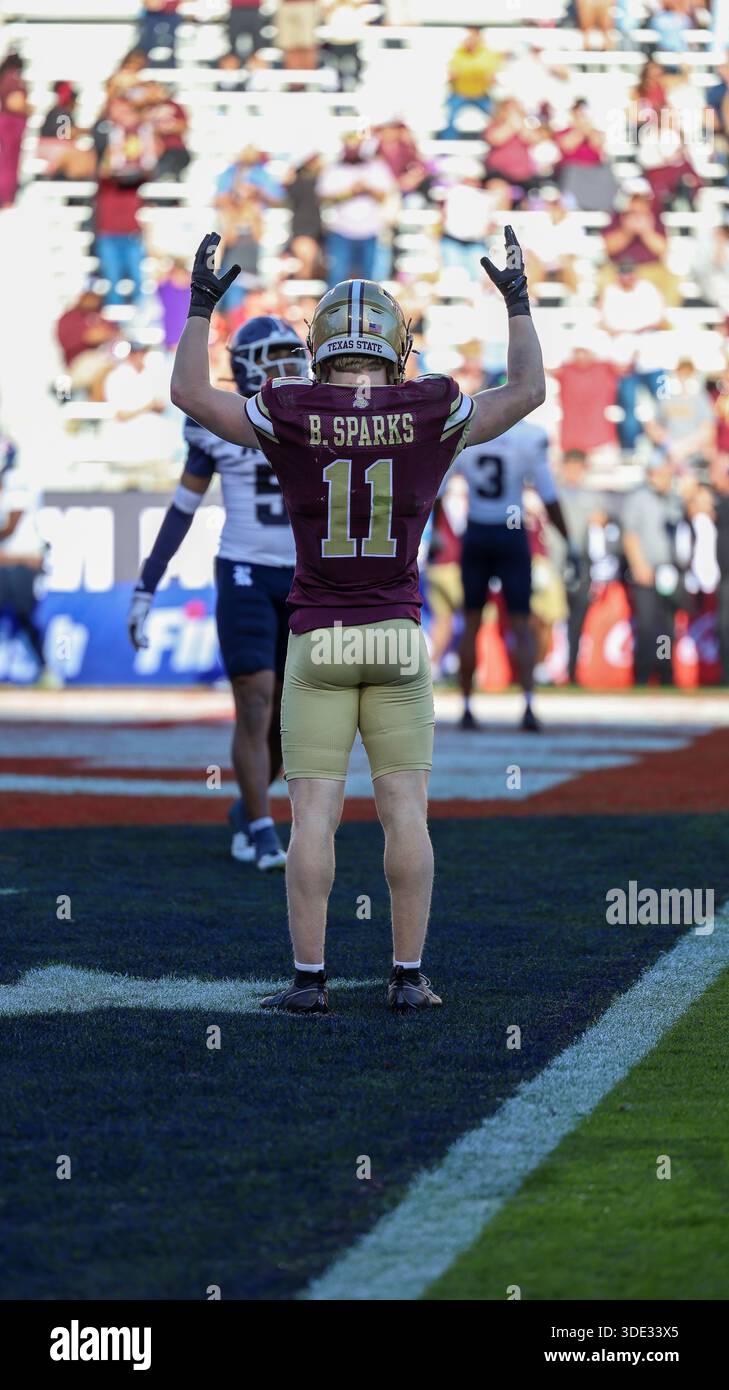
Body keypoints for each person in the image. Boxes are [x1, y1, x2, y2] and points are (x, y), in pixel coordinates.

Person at [169, 224, 545, 1012]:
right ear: (395, 344)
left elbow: (192, 396)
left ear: (321, 345)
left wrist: (202, 306)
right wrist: (517, 303)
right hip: (397, 634)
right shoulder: (431, 403)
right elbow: (527, 393)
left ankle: (310, 982)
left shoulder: (290, 406)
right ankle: (407, 977)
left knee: (313, 815)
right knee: (404, 808)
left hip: (317, 635)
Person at [129, 318, 309, 869]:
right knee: (254, 698)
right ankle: (260, 828)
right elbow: (183, 510)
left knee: (294, 718)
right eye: (273, 357)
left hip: (307, 579)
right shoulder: (218, 423)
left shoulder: (318, 413)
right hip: (245, 573)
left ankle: (246, 810)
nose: (287, 368)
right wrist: (146, 585)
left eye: (290, 355)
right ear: (246, 365)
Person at [451, 421, 568, 732]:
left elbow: (436, 489)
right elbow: (549, 494)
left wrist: (432, 533)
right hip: (511, 532)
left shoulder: (468, 433)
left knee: (472, 622)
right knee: (522, 623)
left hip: (476, 531)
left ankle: (466, 707)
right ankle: (528, 704)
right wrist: (568, 539)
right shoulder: (527, 438)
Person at [621, 454, 684, 685]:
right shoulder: (638, 498)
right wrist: (639, 565)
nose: (668, 480)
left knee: (667, 625)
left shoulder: (672, 499)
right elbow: (630, 535)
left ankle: (666, 673)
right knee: (647, 625)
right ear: (652, 474)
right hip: (645, 570)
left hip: (667, 571)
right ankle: (643, 674)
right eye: (664, 475)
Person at [317, 134, 395, 285]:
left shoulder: (376, 167)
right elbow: (324, 197)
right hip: (341, 231)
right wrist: (349, 192)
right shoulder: (334, 169)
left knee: (369, 281)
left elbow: (384, 195)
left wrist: (367, 188)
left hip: (369, 231)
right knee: (337, 278)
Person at [441, 27, 501, 139]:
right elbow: (452, 73)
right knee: (449, 118)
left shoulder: (487, 54)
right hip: (460, 94)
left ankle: (487, 140)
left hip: (481, 95)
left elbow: (491, 76)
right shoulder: (458, 53)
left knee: (495, 117)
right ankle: (448, 143)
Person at [0, 52, 29, 208]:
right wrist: (28, 108)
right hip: (11, 126)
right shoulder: (13, 78)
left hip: (8, 125)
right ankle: (6, 198)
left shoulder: (6, 77)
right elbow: (14, 103)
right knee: (8, 164)